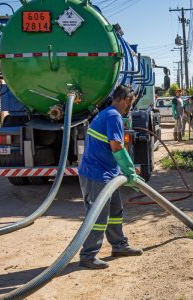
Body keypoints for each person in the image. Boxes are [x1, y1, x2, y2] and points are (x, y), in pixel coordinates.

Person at [78, 85, 144, 269]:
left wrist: (121, 172)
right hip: (96, 175)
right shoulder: (114, 115)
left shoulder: (106, 113)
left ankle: (119, 246)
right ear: (125, 99)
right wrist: (130, 171)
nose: (130, 107)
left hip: (108, 174)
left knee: (115, 212)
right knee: (98, 217)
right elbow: (116, 146)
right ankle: (88, 255)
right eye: (131, 102)